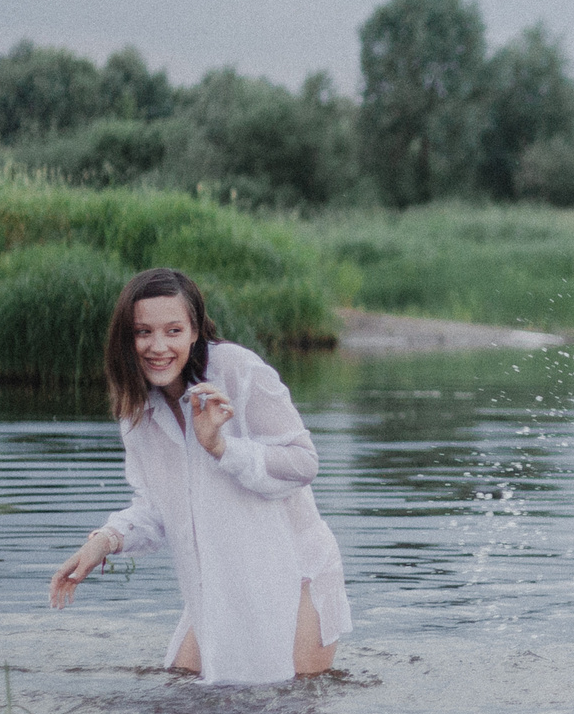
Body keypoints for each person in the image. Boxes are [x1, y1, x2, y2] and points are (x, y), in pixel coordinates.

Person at [49, 268, 350, 682]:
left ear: (195, 332)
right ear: (126, 338)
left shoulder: (238, 370)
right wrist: (104, 541)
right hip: (220, 580)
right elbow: (157, 510)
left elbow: (303, 463)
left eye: (173, 330)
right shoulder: (137, 412)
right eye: (143, 332)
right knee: (183, 695)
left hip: (294, 572)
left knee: (288, 710)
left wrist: (221, 447)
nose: (158, 347)